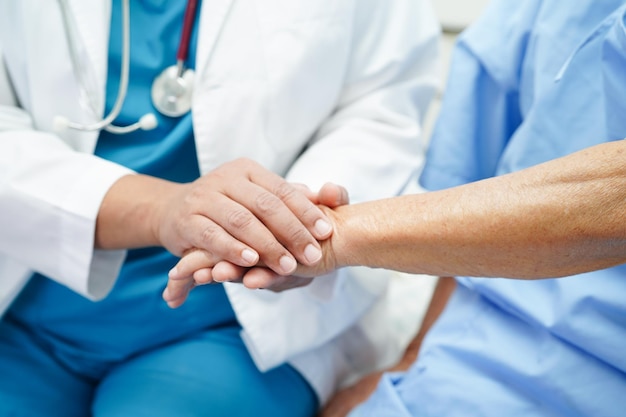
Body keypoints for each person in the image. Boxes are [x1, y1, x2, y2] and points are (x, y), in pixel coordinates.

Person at [167, 0, 626, 415]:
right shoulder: (535, 15)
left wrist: (328, 235)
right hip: (474, 358)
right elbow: (477, 191)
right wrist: (413, 358)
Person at [0, 1, 440, 416]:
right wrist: (161, 209)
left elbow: (380, 109)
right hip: (23, 294)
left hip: (238, 321)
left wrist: (289, 224)